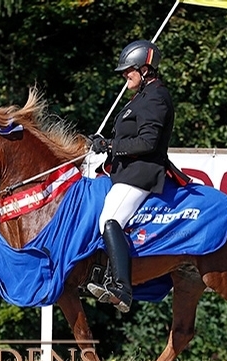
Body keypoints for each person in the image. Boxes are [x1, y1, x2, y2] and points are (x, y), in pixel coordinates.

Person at [87, 39, 176, 313]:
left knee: (109, 218)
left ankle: (122, 288)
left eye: (129, 71)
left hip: (141, 174)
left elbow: (148, 142)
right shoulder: (139, 99)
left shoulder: (157, 97)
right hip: (124, 172)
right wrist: (104, 143)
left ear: (145, 69)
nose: (125, 76)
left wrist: (112, 146)